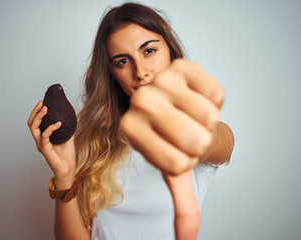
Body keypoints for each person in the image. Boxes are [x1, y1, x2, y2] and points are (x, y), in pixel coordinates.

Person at [28, 2, 234, 240]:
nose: (140, 72)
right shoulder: (94, 143)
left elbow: (218, 143)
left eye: (149, 51)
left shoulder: (200, 127)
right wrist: (64, 175)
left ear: (171, 52)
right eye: (123, 61)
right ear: (112, 74)